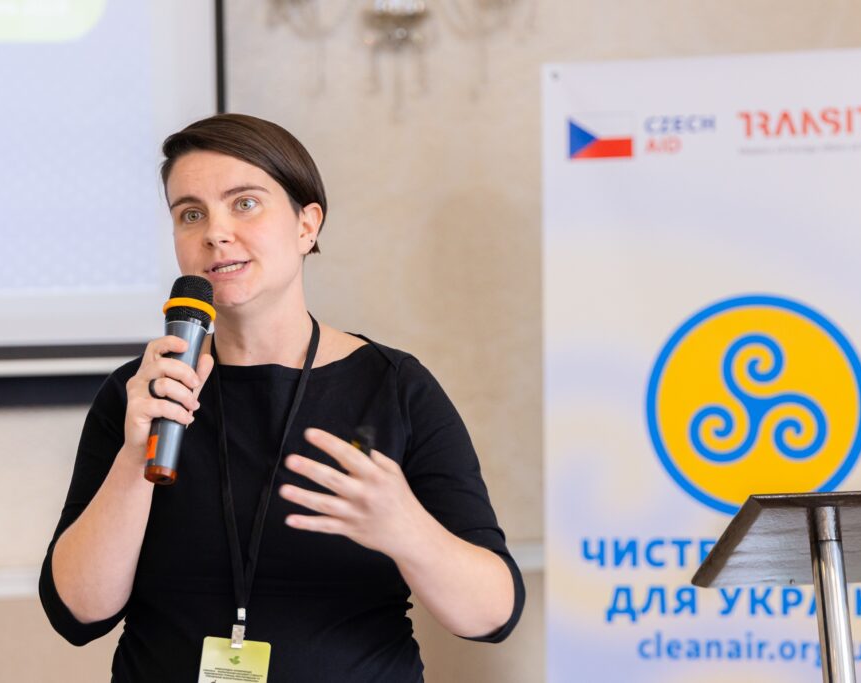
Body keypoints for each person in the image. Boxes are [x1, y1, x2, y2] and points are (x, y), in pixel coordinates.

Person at [39, 113, 524, 681]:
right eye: (191, 214)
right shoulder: (145, 392)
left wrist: (406, 528)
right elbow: (78, 614)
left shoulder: (393, 388)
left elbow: (491, 615)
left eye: (244, 203)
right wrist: (132, 459)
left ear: (306, 225)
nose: (215, 232)